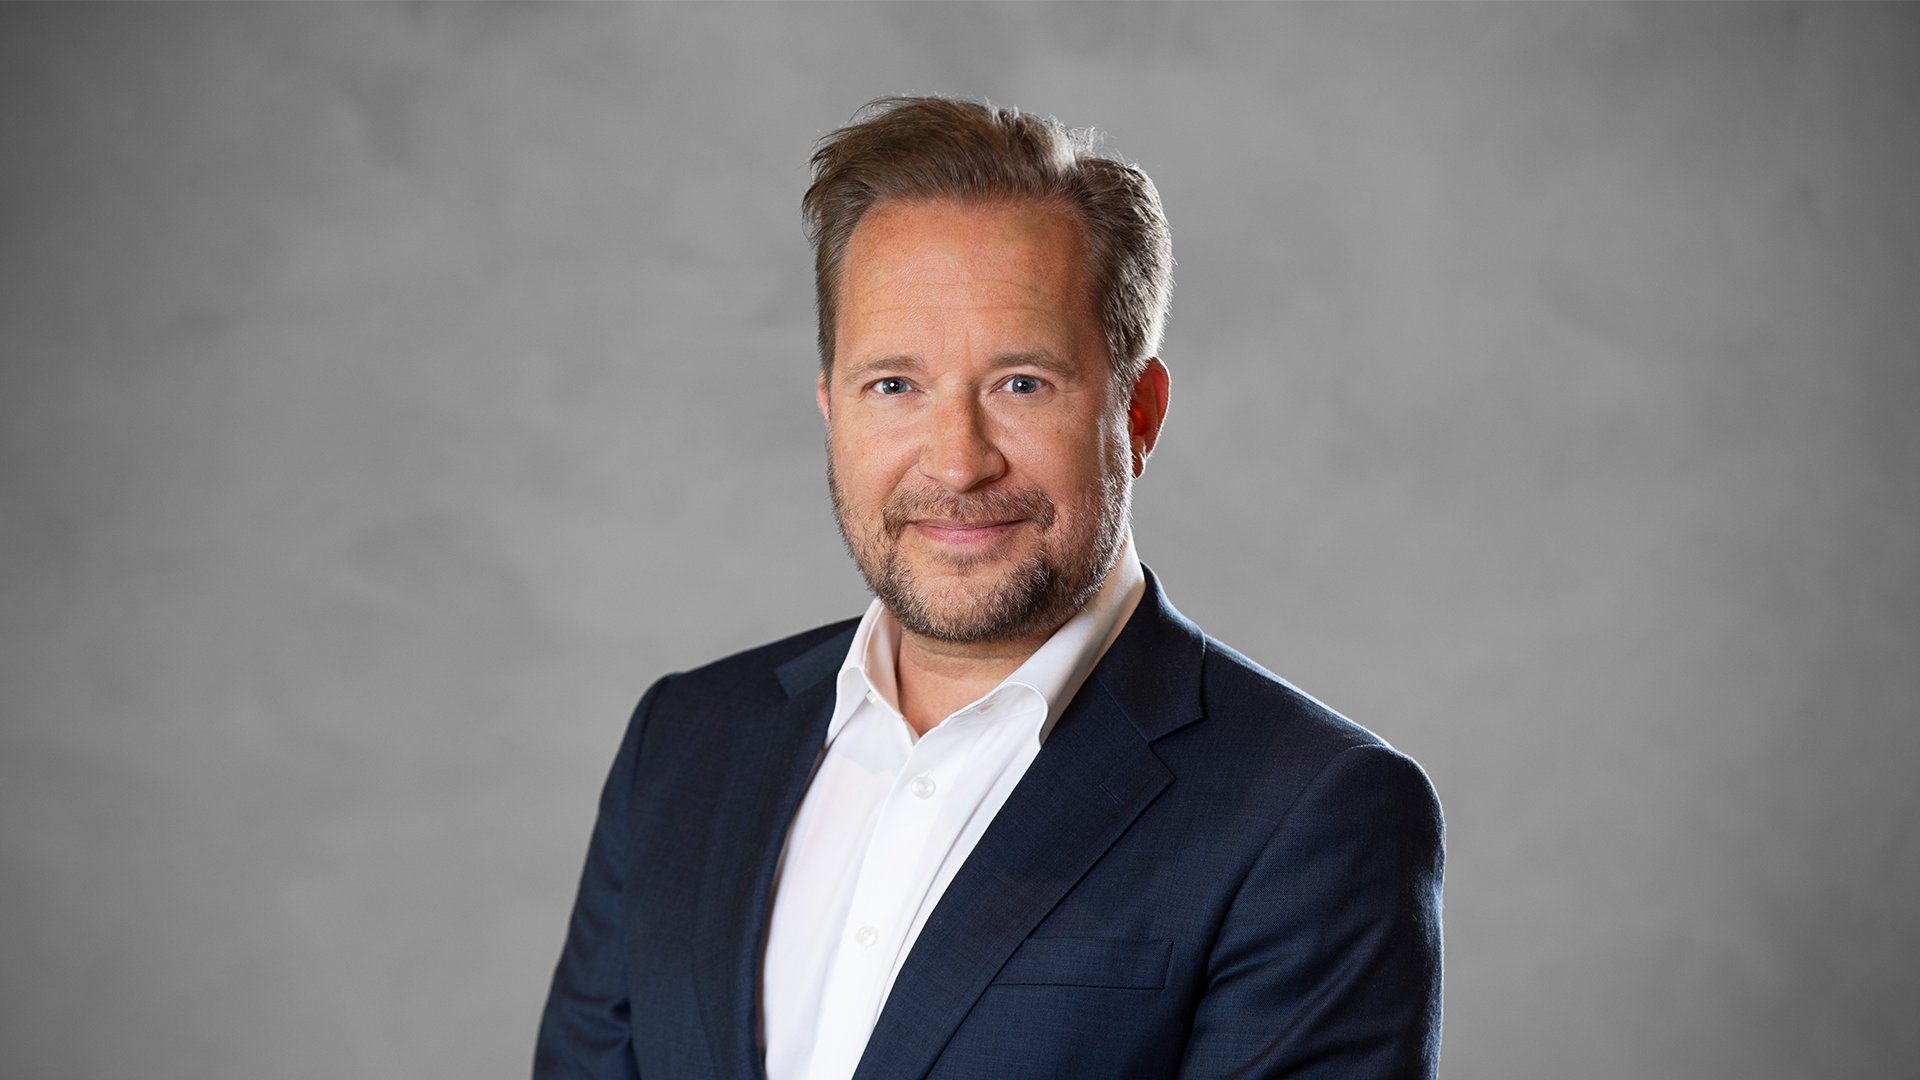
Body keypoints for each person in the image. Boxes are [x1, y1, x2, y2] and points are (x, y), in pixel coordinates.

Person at [535, 96, 1443, 1080]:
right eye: (894, 386)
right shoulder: (684, 741)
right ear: (831, 408)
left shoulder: (1313, 811)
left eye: (1022, 384)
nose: (958, 463)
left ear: (1138, 413)